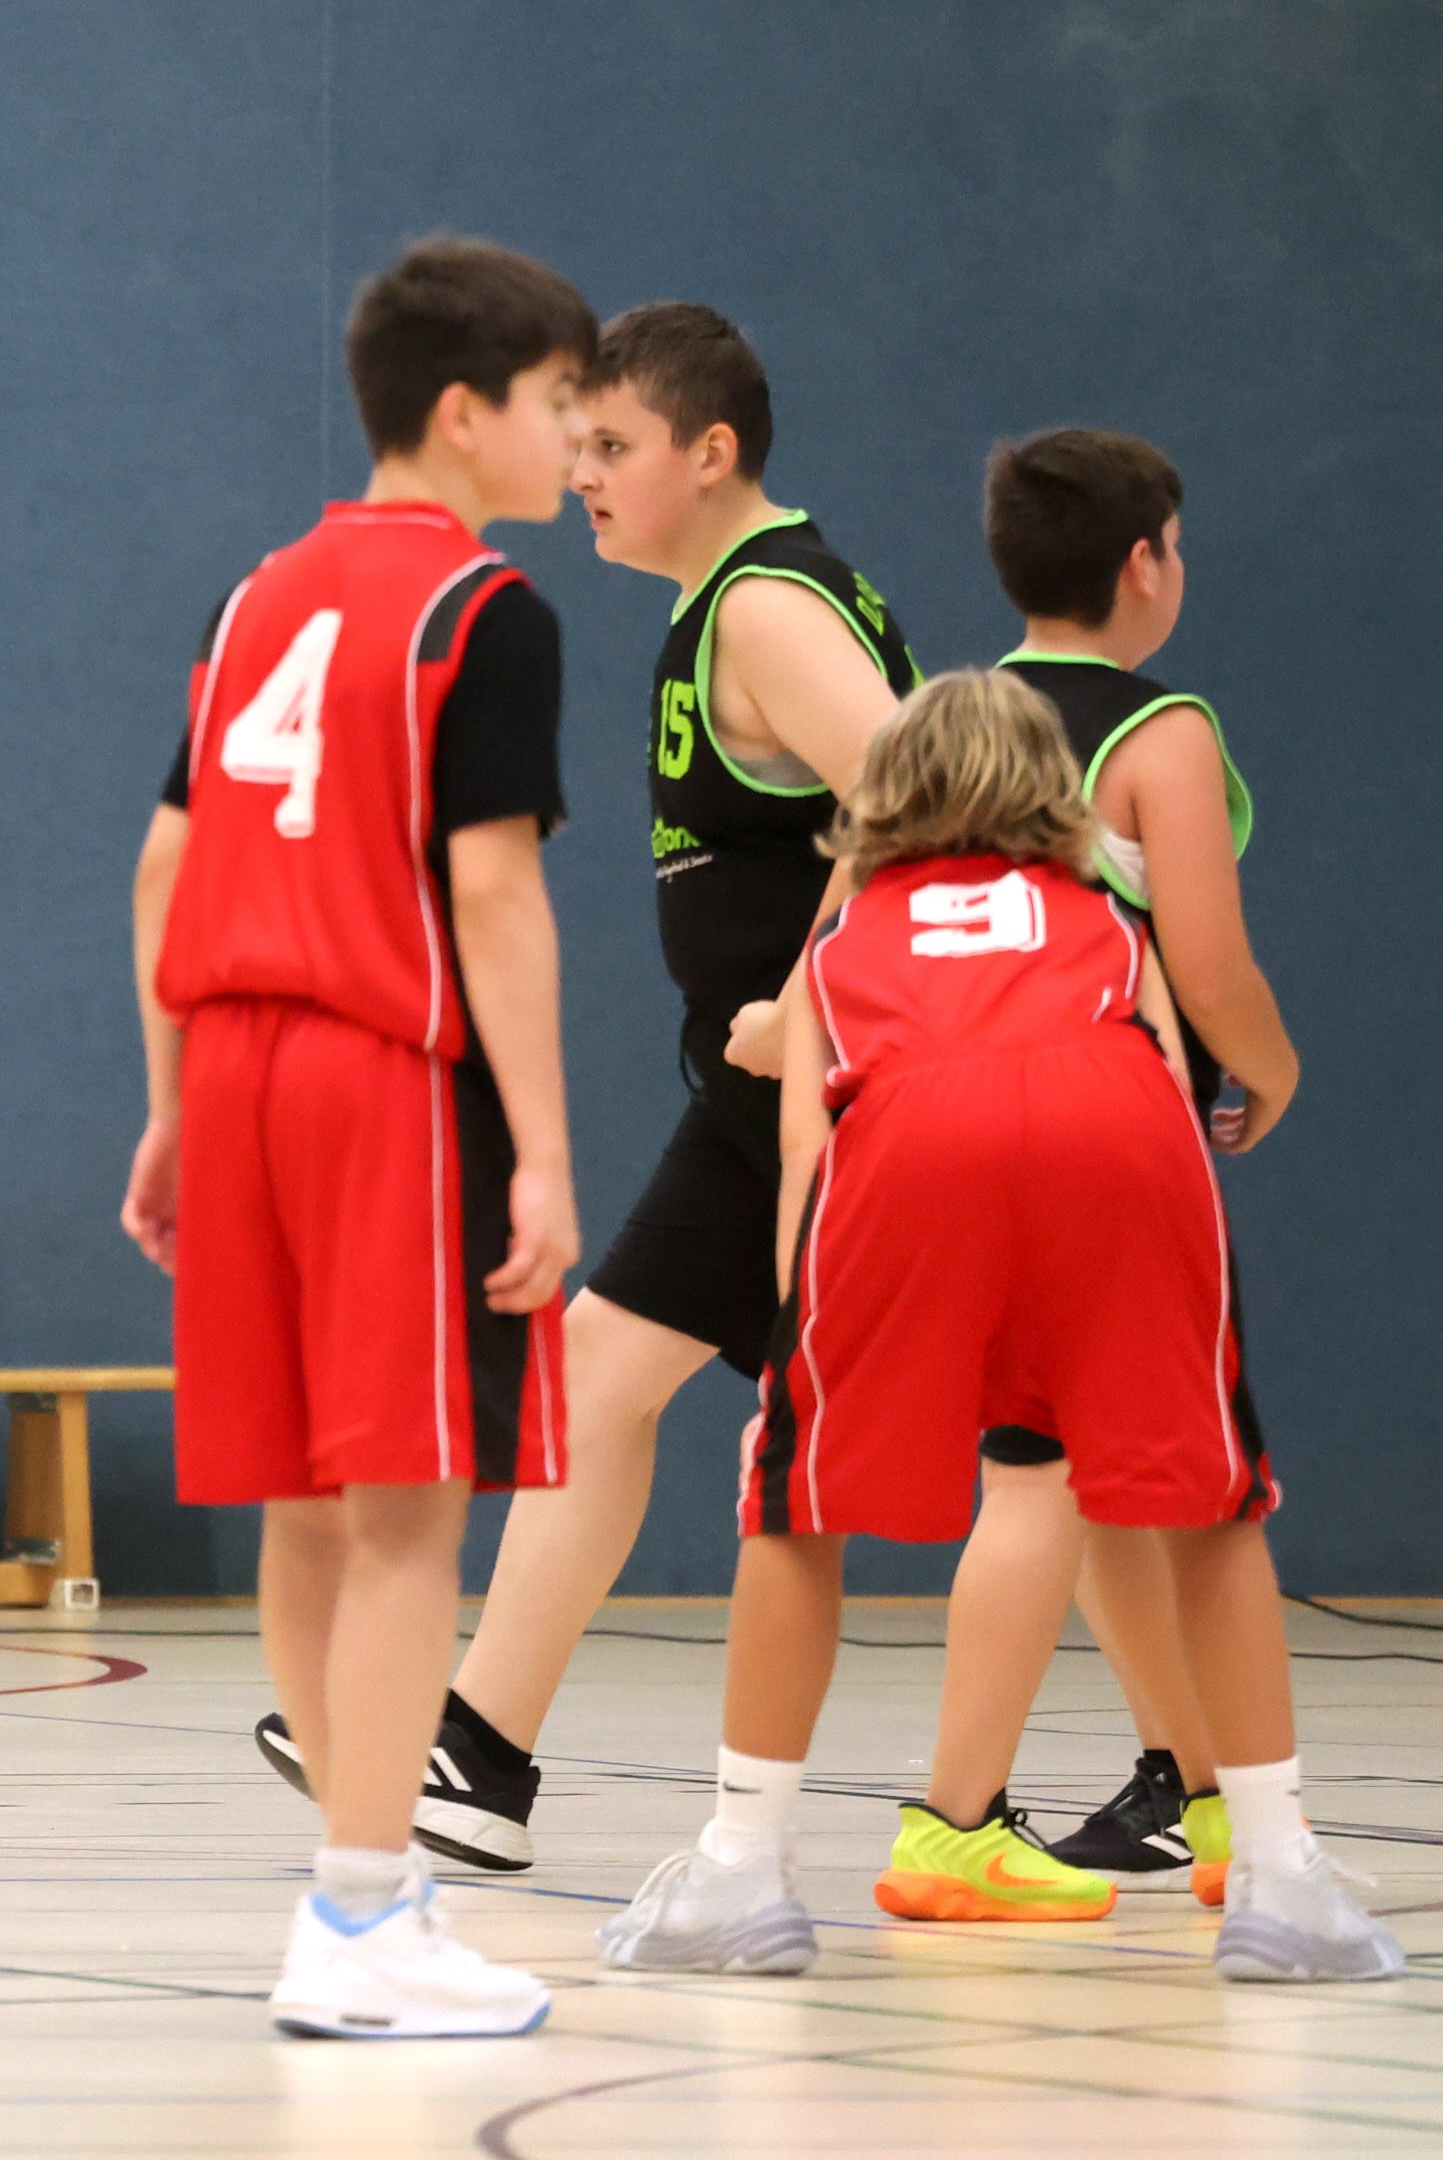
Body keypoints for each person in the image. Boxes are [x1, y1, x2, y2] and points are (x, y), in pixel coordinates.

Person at [591, 670, 1399, 1984]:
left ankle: (739, 1869)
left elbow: (804, 1158)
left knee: (795, 1511)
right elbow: (1165, 1080)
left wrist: (805, 1360)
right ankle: (1280, 1875)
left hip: (909, 1138)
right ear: (1049, 793)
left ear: (883, 797)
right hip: (1116, 1133)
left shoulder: (840, 945)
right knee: (1213, 1505)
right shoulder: (1104, 918)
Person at [249, 304, 913, 1872]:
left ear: (712, 450)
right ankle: (477, 1749)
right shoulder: (727, 600)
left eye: (613, 445)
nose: (582, 472)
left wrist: (808, 995)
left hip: (827, 1091)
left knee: (1021, 1437)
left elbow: (915, 786)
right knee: (598, 1381)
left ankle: (1177, 1775)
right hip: (764, 1095)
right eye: (576, 440)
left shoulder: (766, 604)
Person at [118, 236, 591, 2039]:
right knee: (408, 1508)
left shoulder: (257, 593)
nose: (573, 437)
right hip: (382, 1075)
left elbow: (163, 865)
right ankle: (362, 1911)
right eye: (557, 403)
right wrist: (540, 1148)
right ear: (463, 413)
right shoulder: (485, 610)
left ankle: (361, 1884)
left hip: (235, 1065)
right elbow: (494, 895)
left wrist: (170, 1102)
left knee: (307, 1509)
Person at [944, 427, 1303, 1903]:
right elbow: (1206, 967)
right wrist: (1273, 1072)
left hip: (956, 1133)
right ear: (1145, 562)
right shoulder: (1162, 736)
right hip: (1111, 1133)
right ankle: (1245, 1829)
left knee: (1044, 1472)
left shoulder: (951, 726)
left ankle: (1184, 1788)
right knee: (1201, 1496)